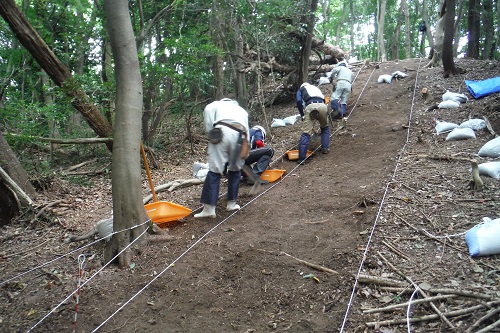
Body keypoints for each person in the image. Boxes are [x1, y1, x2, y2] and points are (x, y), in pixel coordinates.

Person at [194, 98, 250, 218]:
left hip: (222, 132)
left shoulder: (216, 105)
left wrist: (211, 132)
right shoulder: (242, 111)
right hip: (240, 136)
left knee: (215, 170)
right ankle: (231, 204)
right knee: (235, 169)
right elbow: (247, 130)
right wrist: (246, 147)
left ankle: (209, 209)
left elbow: (208, 112)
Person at [295, 82, 330, 163]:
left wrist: (302, 114)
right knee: (325, 127)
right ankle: (325, 148)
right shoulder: (315, 88)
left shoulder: (301, 90)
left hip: (311, 106)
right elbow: (324, 99)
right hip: (322, 106)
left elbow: (299, 101)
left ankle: (301, 158)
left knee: (306, 133)